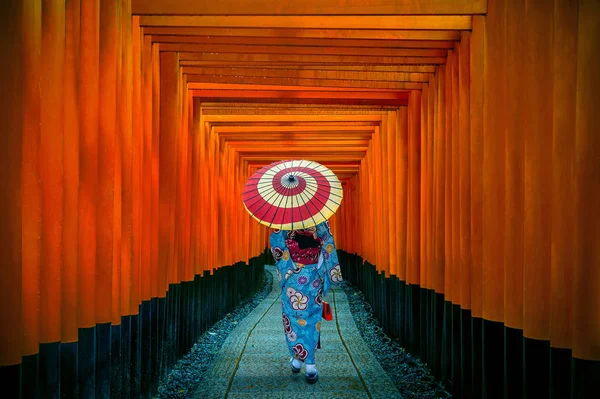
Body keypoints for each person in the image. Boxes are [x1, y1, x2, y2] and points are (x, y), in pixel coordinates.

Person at [269, 220, 343, 384]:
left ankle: (305, 362)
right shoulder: (319, 220)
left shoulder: (283, 223)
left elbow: (277, 247)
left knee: (294, 318)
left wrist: (291, 263)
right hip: (313, 276)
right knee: (311, 318)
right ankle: (305, 363)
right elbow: (327, 244)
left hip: (293, 275)